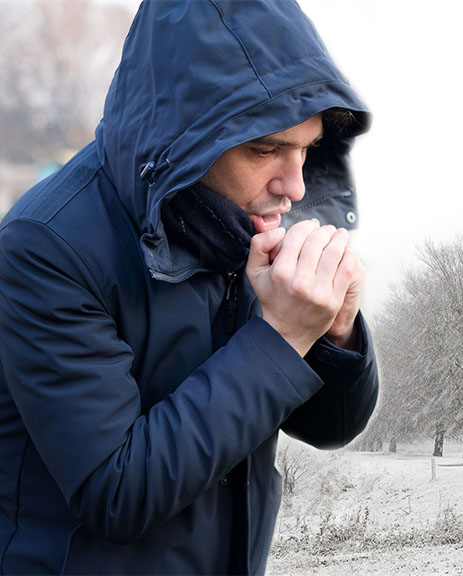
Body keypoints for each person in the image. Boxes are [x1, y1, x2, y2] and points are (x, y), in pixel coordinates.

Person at [0, 1, 378, 574]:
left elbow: (331, 427)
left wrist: (336, 331)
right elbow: (116, 493)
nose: (296, 186)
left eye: (308, 148)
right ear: (183, 134)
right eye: (266, 148)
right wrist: (279, 336)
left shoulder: (241, 219)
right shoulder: (46, 248)